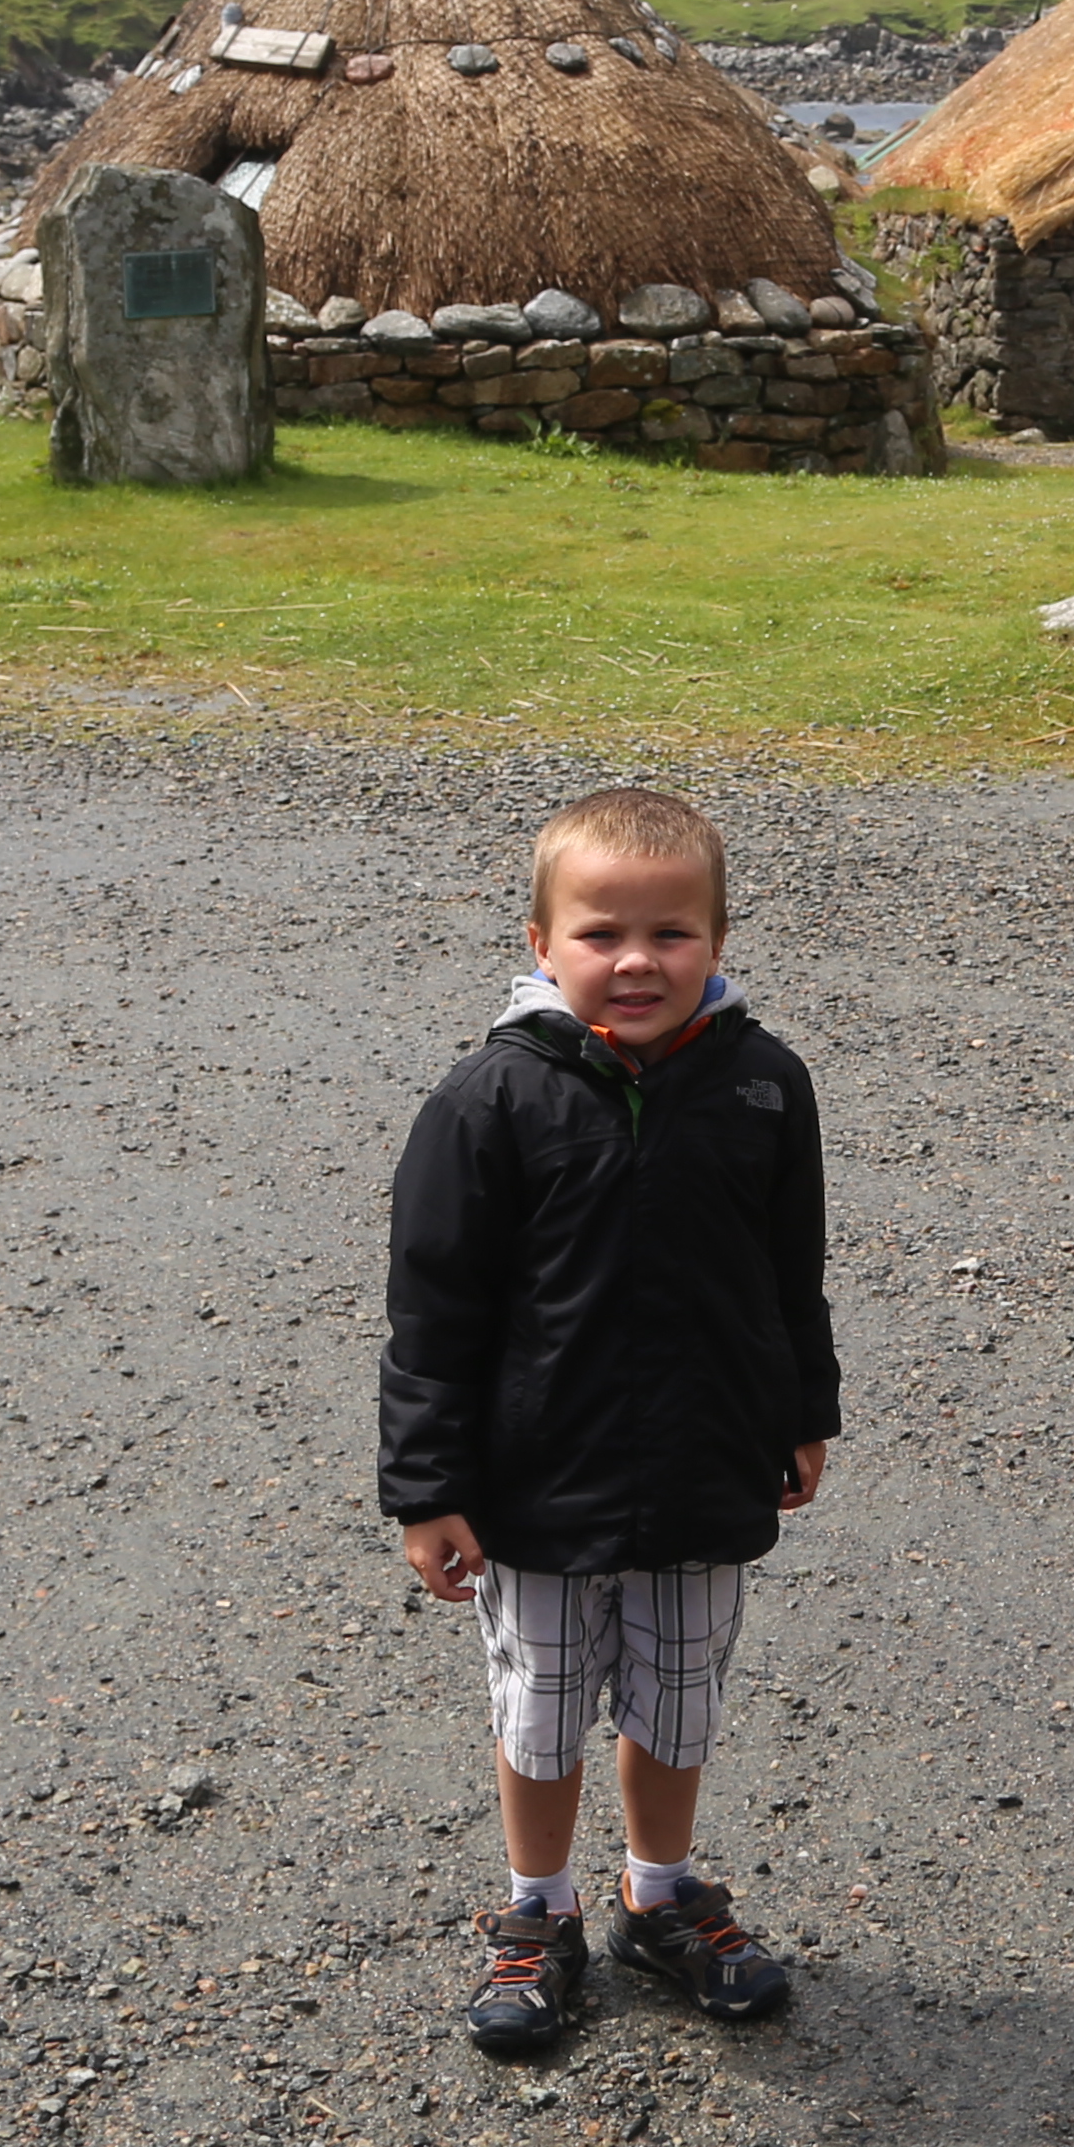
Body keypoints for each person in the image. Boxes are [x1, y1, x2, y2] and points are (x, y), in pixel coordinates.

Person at [382, 783, 840, 2057]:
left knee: (678, 1704)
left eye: (672, 933)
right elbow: (433, 1309)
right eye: (599, 933)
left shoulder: (763, 1085)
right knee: (541, 1710)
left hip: (705, 1465)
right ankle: (539, 1913)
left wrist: (805, 1410)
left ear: (719, 939)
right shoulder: (490, 1098)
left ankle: (660, 1892)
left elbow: (788, 1268)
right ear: (540, 942)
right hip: (535, 1482)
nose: (637, 960)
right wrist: (429, 1489)